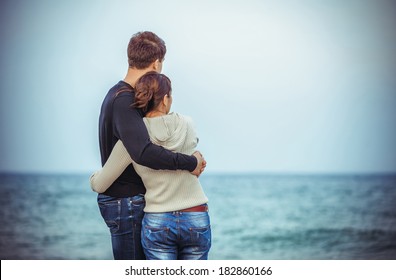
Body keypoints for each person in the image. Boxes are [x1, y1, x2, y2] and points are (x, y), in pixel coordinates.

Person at [93, 31, 206, 260]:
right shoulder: (125, 100)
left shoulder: (120, 95)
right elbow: (143, 151)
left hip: (125, 200)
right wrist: (191, 162)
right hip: (126, 202)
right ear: (157, 63)